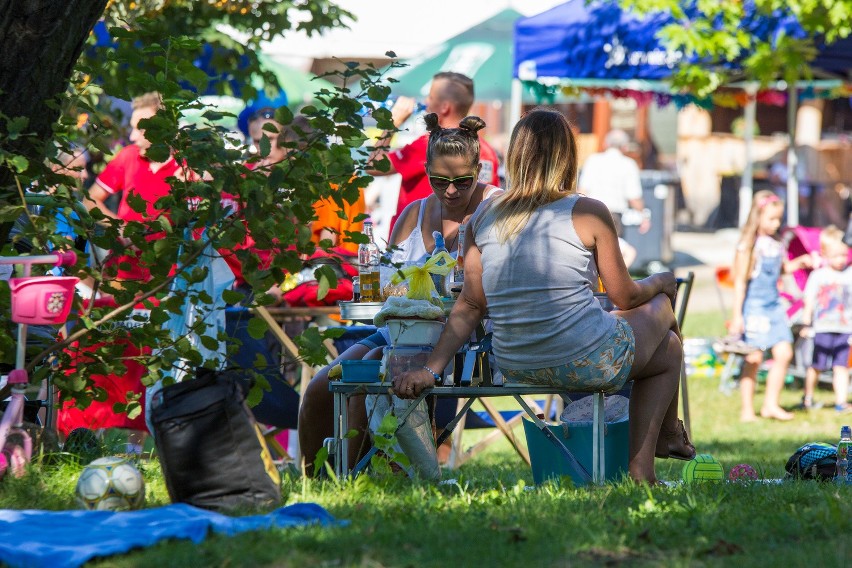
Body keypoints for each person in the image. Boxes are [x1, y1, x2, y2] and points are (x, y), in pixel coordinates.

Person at [392, 109, 694, 485]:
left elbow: (469, 305)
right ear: (568, 157)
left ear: (514, 157)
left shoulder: (484, 217)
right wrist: (661, 280)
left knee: (668, 349)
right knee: (663, 310)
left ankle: (648, 465)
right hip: (586, 361)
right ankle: (662, 443)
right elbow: (625, 295)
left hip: (515, 364)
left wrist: (431, 369)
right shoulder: (589, 211)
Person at [299, 113, 502, 476]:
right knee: (319, 388)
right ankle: (314, 483)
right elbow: (387, 282)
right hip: (404, 331)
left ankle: (352, 477)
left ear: (479, 171)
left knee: (371, 374)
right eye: (439, 180)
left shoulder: (496, 208)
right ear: (425, 170)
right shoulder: (415, 212)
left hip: (470, 340)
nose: (451, 191)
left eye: (462, 181)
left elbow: (491, 293)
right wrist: (397, 286)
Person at [367, 72, 500, 233]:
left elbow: (372, 165)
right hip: (466, 242)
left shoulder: (429, 144)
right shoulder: (486, 149)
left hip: (420, 244)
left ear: (444, 107)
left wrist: (392, 123)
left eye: (430, 97)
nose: (425, 102)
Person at [729, 190, 812, 422]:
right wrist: (738, 315)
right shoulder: (748, 246)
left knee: (784, 353)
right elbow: (740, 283)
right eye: (772, 219)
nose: (776, 224)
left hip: (774, 305)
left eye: (779, 219)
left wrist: (799, 263)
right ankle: (747, 409)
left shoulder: (776, 243)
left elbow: (780, 269)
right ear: (758, 217)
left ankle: (770, 405)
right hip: (754, 306)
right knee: (753, 358)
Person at [83, 92, 180, 282]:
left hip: (167, 277)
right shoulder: (128, 156)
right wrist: (120, 227)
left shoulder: (185, 167)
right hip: (122, 271)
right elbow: (89, 200)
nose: (133, 136)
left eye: (140, 129)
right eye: (132, 128)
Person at [799, 226, 852, 414]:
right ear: (824, 254)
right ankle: (808, 397)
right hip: (822, 328)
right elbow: (809, 300)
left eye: (844, 255)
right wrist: (806, 323)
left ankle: (841, 402)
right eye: (835, 256)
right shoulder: (818, 275)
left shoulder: (849, 274)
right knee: (816, 365)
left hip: (845, 329)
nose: (840, 260)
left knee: (841, 366)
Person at [578, 129, 650, 236]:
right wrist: (644, 217)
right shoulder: (628, 165)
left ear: (605, 144)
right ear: (625, 147)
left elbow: (582, 191)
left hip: (592, 215)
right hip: (614, 218)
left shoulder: (593, 160)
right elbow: (633, 197)